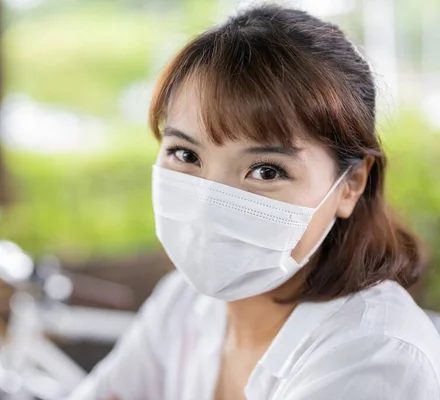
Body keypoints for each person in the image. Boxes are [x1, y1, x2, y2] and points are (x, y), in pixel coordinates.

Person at [67, 4, 440, 400]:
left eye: (265, 171)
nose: (208, 204)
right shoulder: (185, 303)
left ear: (350, 184)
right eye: (186, 154)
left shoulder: (376, 357)